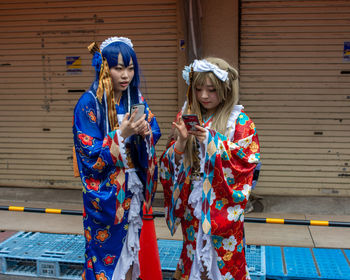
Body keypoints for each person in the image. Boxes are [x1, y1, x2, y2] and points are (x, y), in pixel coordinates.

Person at [160, 57, 260, 280]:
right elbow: (168, 165)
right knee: (193, 255)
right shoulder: (184, 117)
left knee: (222, 261)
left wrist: (212, 142)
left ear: (226, 89)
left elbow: (248, 162)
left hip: (221, 206)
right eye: (198, 89)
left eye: (211, 90)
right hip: (193, 205)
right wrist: (181, 144)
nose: (203, 95)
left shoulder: (241, 122)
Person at [72, 36, 161, 280]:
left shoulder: (136, 99)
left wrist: (144, 134)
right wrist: (121, 134)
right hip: (106, 196)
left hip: (132, 191)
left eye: (130, 68)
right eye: (118, 68)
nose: (126, 76)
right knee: (104, 256)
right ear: (104, 68)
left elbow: (154, 130)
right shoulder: (88, 104)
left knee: (132, 250)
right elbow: (88, 154)